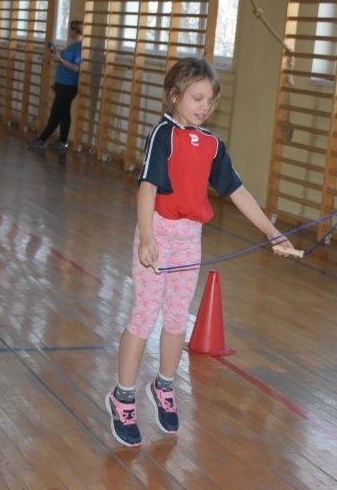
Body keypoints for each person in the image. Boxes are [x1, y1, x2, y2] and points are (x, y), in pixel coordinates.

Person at [105, 57, 295, 447]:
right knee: (144, 315)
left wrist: (273, 232)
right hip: (157, 233)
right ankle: (122, 396)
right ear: (174, 96)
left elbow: (237, 191)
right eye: (197, 98)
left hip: (190, 238)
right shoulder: (164, 135)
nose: (204, 107)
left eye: (211, 101)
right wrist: (146, 238)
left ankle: (165, 387)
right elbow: (147, 189)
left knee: (177, 318)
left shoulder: (211, 144)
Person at [27, 20, 83, 149]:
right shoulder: (72, 44)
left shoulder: (79, 46)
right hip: (62, 83)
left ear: (75, 30)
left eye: (70, 29)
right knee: (64, 113)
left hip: (69, 85)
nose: (69, 32)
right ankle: (63, 141)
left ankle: (42, 139)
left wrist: (61, 59)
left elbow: (76, 68)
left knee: (56, 112)